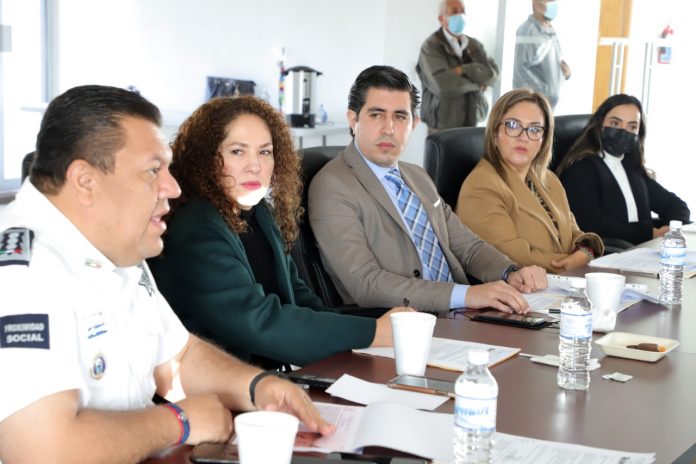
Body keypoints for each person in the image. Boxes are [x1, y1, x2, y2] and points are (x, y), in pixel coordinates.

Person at [0, 85, 333, 463]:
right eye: (152, 170)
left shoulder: (117, 245)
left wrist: (257, 386)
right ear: (85, 181)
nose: (172, 187)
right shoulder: (22, 270)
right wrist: (178, 421)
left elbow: (177, 356)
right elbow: (40, 450)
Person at [149, 95, 408, 371]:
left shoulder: (259, 212)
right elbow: (259, 323)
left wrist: (371, 330)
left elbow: (300, 298)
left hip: (269, 375)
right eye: (237, 151)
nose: (255, 166)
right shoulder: (196, 228)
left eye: (265, 152)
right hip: (217, 385)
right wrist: (373, 332)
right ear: (205, 159)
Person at [308, 65, 547, 315]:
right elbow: (365, 283)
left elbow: (469, 247)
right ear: (353, 119)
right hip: (408, 323)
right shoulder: (333, 185)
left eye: (400, 116)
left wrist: (510, 272)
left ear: (414, 124)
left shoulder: (417, 176)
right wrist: (466, 295)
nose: (389, 128)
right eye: (376, 115)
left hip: (461, 315)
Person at [456, 89, 603, 273]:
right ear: (495, 133)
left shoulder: (548, 179)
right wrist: (574, 262)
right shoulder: (482, 186)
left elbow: (573, 233)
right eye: (512, 125)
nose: (523, 137)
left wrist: (586, 251)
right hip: (521, 287)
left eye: (534, 129)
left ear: (543, 140)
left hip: (562, 283)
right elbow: (510, 257)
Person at [556, 94, 690, 246]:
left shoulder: (631, 167)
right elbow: (590, 224)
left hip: (645, 248)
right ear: (599, 125)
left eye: (632, 127)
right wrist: (650, 233)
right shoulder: (581, 168)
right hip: (611, 252)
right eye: (615, 123)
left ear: (639, 133)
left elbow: (675, 205)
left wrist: (671, 230)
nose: (623, 131)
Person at [416, 0, 499, 131]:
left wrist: (464, 69)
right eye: (454, 11)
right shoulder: (431, 46)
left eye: (462, 11)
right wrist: (476, 85)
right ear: (441, 18)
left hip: (472, 122)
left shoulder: (474, 45)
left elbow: (493, 76)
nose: (460, 15)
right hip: (442, 126)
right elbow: (442, 85)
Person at [513, 0, 571, 110]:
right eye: (549, 1)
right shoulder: (527, 30)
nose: (553, 4)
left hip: (548, 104)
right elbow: (520, 68)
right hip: (533, 103)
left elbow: (552, 61)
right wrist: (544, 92)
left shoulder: (550, 30)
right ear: (536, 4)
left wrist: (566, 73)